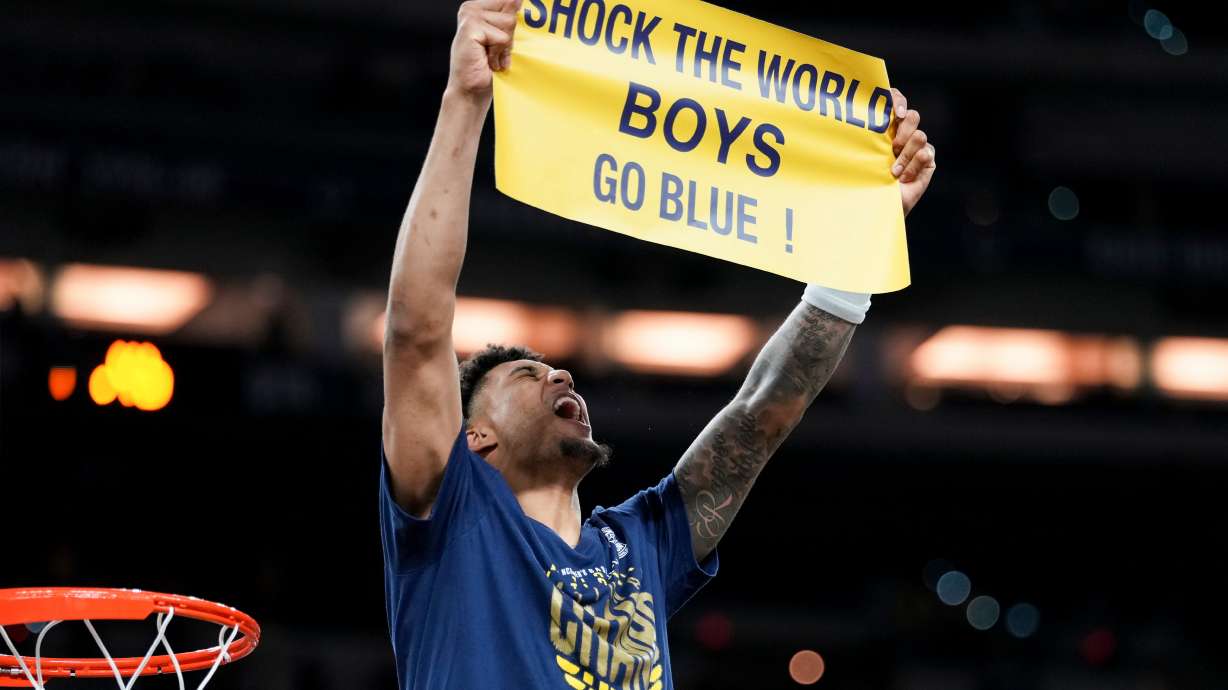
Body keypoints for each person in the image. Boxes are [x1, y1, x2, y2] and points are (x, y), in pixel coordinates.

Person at [378, 1, 937, 688]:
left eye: (554, 370)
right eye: (527, 375)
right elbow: (416, 329)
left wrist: (862, 238)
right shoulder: (453, 508)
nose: (560, 375)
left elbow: (760, 418)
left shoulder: (637, 543)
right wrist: (465, 100)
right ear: (476, 439)